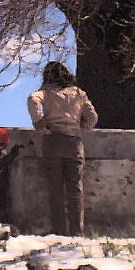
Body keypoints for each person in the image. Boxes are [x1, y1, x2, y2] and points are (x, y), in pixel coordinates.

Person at [27, 62, 98, 236]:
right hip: (74, 141)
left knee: (56, 187)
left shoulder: (46, 92)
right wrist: (82, 128)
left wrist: (40, 123)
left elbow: (32, 99)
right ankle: (77, 231)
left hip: (53, 139)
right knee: (75, 188)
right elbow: (93, 117)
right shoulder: (79, 93)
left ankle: (59, 230)